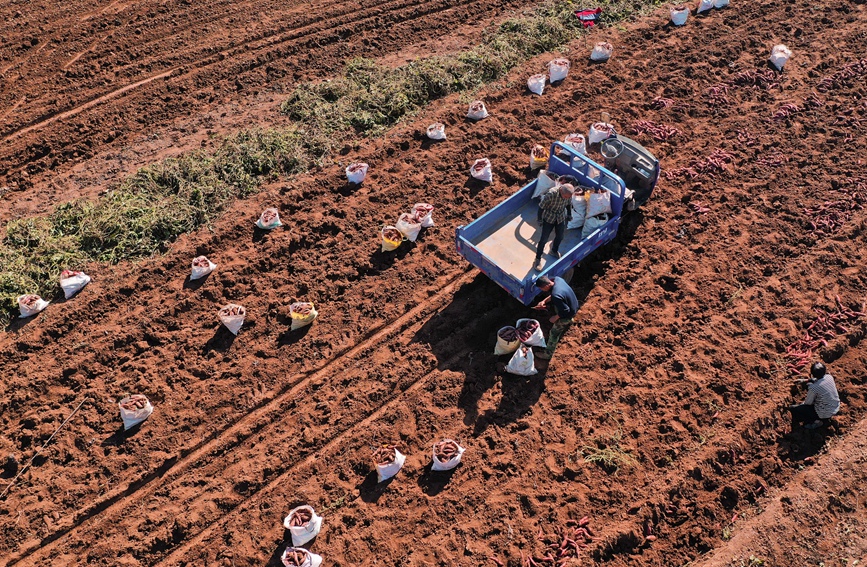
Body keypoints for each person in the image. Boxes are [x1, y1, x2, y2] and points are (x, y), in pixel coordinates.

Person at [532, 276, 579, 360]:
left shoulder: (556, 295)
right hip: (573, 305)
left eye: (541, 289)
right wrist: (544, 301)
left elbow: (565, 310)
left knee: (553, 333)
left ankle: (548, 354)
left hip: (568, 312)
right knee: (558, 307)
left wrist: (555, 317)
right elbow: (556, 295)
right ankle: (570, 320)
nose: (541, 290)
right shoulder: (558, 280)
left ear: (546, 286)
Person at [534, 184, 574, 271]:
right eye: (566, 196)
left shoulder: (568, 195)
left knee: (560, 236)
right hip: (549, 218)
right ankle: (537, 258)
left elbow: (568, 204)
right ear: (561, 191)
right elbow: (541, 207)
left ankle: (554, 251)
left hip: (560, 217)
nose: (567, 198)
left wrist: (569, 214)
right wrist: (539, 219)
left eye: (568, 197)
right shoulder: (551, 194)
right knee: (544, 239)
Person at [789, 362, 841, 429]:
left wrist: (800, 405)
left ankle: (816, 422)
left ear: (812, 374)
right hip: (835, 407)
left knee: (794, 409)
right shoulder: (829, 377)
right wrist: (805, 380)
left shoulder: (814, 388)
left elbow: (808, 403)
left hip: (823, 413)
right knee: (811, 388)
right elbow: (816, 380)